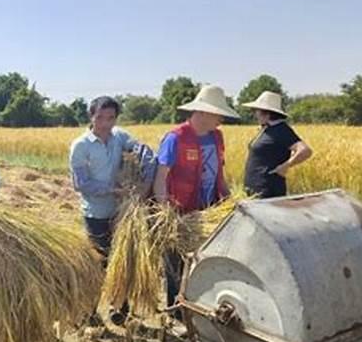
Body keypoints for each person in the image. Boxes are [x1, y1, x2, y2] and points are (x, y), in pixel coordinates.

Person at [152, 85, 239, 310]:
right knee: (177, 265)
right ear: (202, 112)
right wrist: (166, 214)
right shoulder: (176, 138)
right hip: (181, 212)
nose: (221, 119)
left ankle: (199, 307)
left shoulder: (217, 137)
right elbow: (161, 177)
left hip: (209, 209)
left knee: (204, 264)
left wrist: (229, 202)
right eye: (218, 114)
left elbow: (219, 173)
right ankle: (176, 311)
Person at [69, 96, 151, 326]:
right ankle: (89, 312)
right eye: (100, 117)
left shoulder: (120, 137)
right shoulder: (80, 146)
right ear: (91, 116)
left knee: (122, 260)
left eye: (111, 118)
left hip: (122, 212)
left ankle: (120, 308)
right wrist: (111, 190)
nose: (105, 123)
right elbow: (80, 183)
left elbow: (137, 148)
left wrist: (144, 155)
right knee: (99, 263)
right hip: (95, 213)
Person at [242, 91, 313, 198]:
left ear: (267, 113)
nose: (255, 114)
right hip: (256, 190)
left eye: (256, 110)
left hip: (268, 191)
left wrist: (286, 166)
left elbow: (305, 151)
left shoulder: (281, 130)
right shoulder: (267, 129)